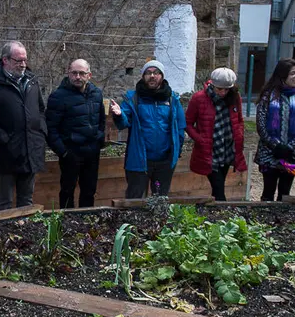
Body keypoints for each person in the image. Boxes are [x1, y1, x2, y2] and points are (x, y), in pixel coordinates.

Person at [0, 41, 47, 210]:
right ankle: (3, 235)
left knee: (27, 201)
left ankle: (25, 234)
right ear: (5, 60)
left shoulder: (32, 81)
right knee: (5, 202)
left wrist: (40, 132)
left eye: (25, 60)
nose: (23, 64)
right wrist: (4, 138)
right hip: (6, 153)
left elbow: (41, 110)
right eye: (18, 60)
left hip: (31, 151)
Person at [109, 60, 186, 198]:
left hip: (164, 161)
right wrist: (119, 114)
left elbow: (180, 127)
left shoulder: (172, 99)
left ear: (162, 76)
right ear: (143, 76)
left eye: (156, 73)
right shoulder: (133, 98)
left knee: (160, 201)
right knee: (135, 200)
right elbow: (123, 123)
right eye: (148, 73)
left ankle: (158, 220)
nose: (152, 76)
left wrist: (176, 151)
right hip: (139, 159)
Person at [46, 59, 106, 208]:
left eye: (81, 73)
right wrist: (64, 152)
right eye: (74, 73)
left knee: (89, 191)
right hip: (70, 152)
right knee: (67, 192)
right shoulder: (58, 97)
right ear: (68, 74)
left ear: (89, 75)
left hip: (92, 152)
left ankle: (87, 225)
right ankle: (66, 226)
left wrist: (99, 140)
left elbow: (101, 120)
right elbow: (51, 129)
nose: (77, 77)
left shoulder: (96, 94)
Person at [254, 58, 295, 201]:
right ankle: (264, 221)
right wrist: (275, 145)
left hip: (291, 152)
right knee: (268, 191)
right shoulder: (268, 95)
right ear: (282, 75)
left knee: (285, 193)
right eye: (293, 73)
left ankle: (282, 221)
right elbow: (260, 124)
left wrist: (292, 146)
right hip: (269, 152)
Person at [185, 67, 247, 201]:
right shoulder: (199, 98)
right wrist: (199, 139)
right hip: (209, 151)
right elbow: (187, 123)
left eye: (226, 89)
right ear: (212, 85)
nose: (223, 92)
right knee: (219, 189)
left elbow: (240, 120)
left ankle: (214, 214)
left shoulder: (235, 98)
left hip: (228, 149)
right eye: (219, 89)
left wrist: (239, 135)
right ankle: (223, 215)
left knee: (219, 186)